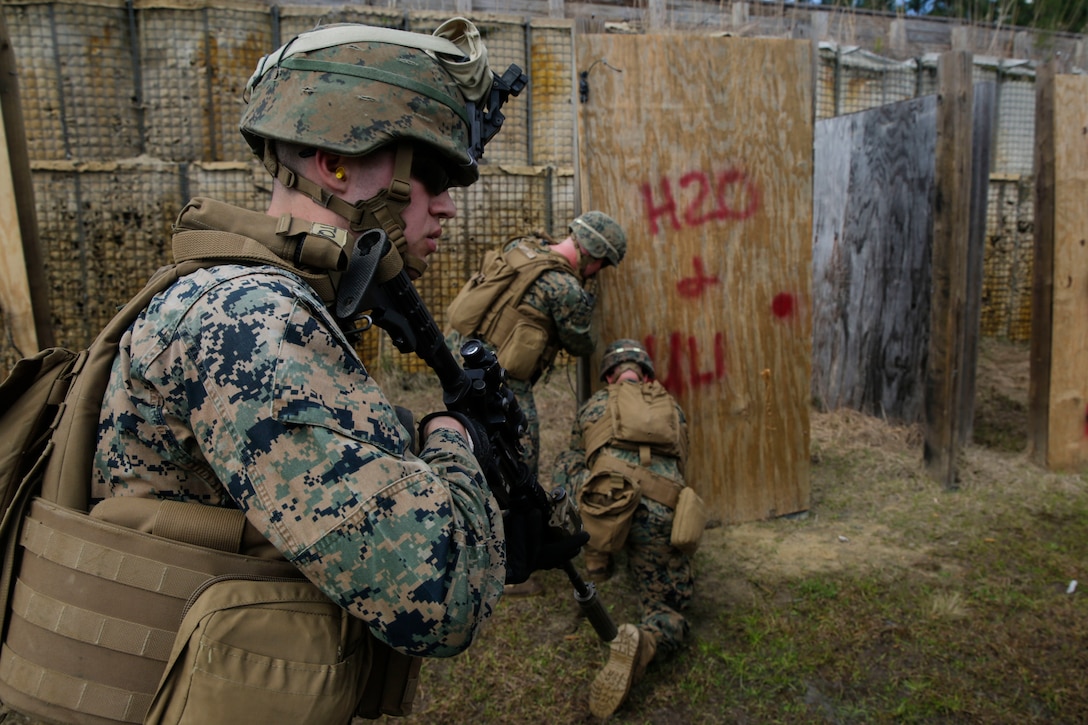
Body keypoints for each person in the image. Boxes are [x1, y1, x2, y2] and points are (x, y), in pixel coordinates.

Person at [7, 19, 579, 724]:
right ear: (333, 164)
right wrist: (450, 439)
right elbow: (442, 596)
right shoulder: (250, 321)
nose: (449, 202)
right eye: (430, 172)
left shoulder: (265, 299)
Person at [551, 339, 700, 720]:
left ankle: (597, 558)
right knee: (669, 607)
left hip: (606, 508)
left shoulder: (593, 405)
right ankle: (648, 640)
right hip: (659, 514)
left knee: (573, 469)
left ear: (609, 376)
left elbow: (570, 462)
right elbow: (682, 466)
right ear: (647, 374)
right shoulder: (674, 408)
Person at [444, 211, 627, 481]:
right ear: (594, 254)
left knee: (462, 431)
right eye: (602, 264)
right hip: (499, 375)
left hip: (458, 352)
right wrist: (588, 307)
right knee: (521, 454)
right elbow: (579, 344)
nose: (598, 272)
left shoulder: (521, 247)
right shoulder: (566, 289)